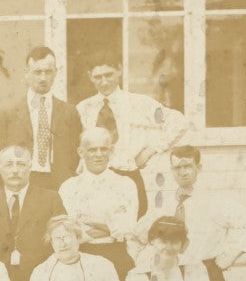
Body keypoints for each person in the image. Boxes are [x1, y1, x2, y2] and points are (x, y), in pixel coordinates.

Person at [134, 145, 246, 281]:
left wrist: (232, 254)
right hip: (169, 275)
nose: (183, 172)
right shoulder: (165, 200)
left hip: (207, 273)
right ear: (172, 171)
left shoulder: (215, 201)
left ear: (198, 168)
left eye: (188, 166)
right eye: (178, 168)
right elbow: (141, 232)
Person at [74, 60, 191, 217]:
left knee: (130, 227)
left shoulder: (139, 103)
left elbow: (179, 122)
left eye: (109, 75)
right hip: (94, 180)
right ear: (90, 77)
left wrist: (150, 150)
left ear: (119, 70)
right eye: (98, 77)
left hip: (127, 175)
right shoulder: (83, 108)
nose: (104, 82)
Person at [0, 144, 67, 281]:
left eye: (21, 164)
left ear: (30, 167)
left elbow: (62, 240)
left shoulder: (51, 199)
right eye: (9, 164)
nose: (15, 170)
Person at [0, 47, 82, 190]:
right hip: (22, 185)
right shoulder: (8, 114)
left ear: (55, 72)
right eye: (37, 72)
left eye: (48, 72)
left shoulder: (69, 112)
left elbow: (75, 155)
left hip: (60, 186)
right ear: (27, 73)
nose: (43, 78)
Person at [59, 127, 140, 280]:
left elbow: (128, 227)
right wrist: (112, 225)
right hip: (82, 256)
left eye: (104, 149)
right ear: (81, 152)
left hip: (116, 256)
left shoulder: (126, 184)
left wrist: (87, 222)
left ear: (111, 151)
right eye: (92, 150)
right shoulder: (69, 187)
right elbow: (73, 231)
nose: (99, 155)